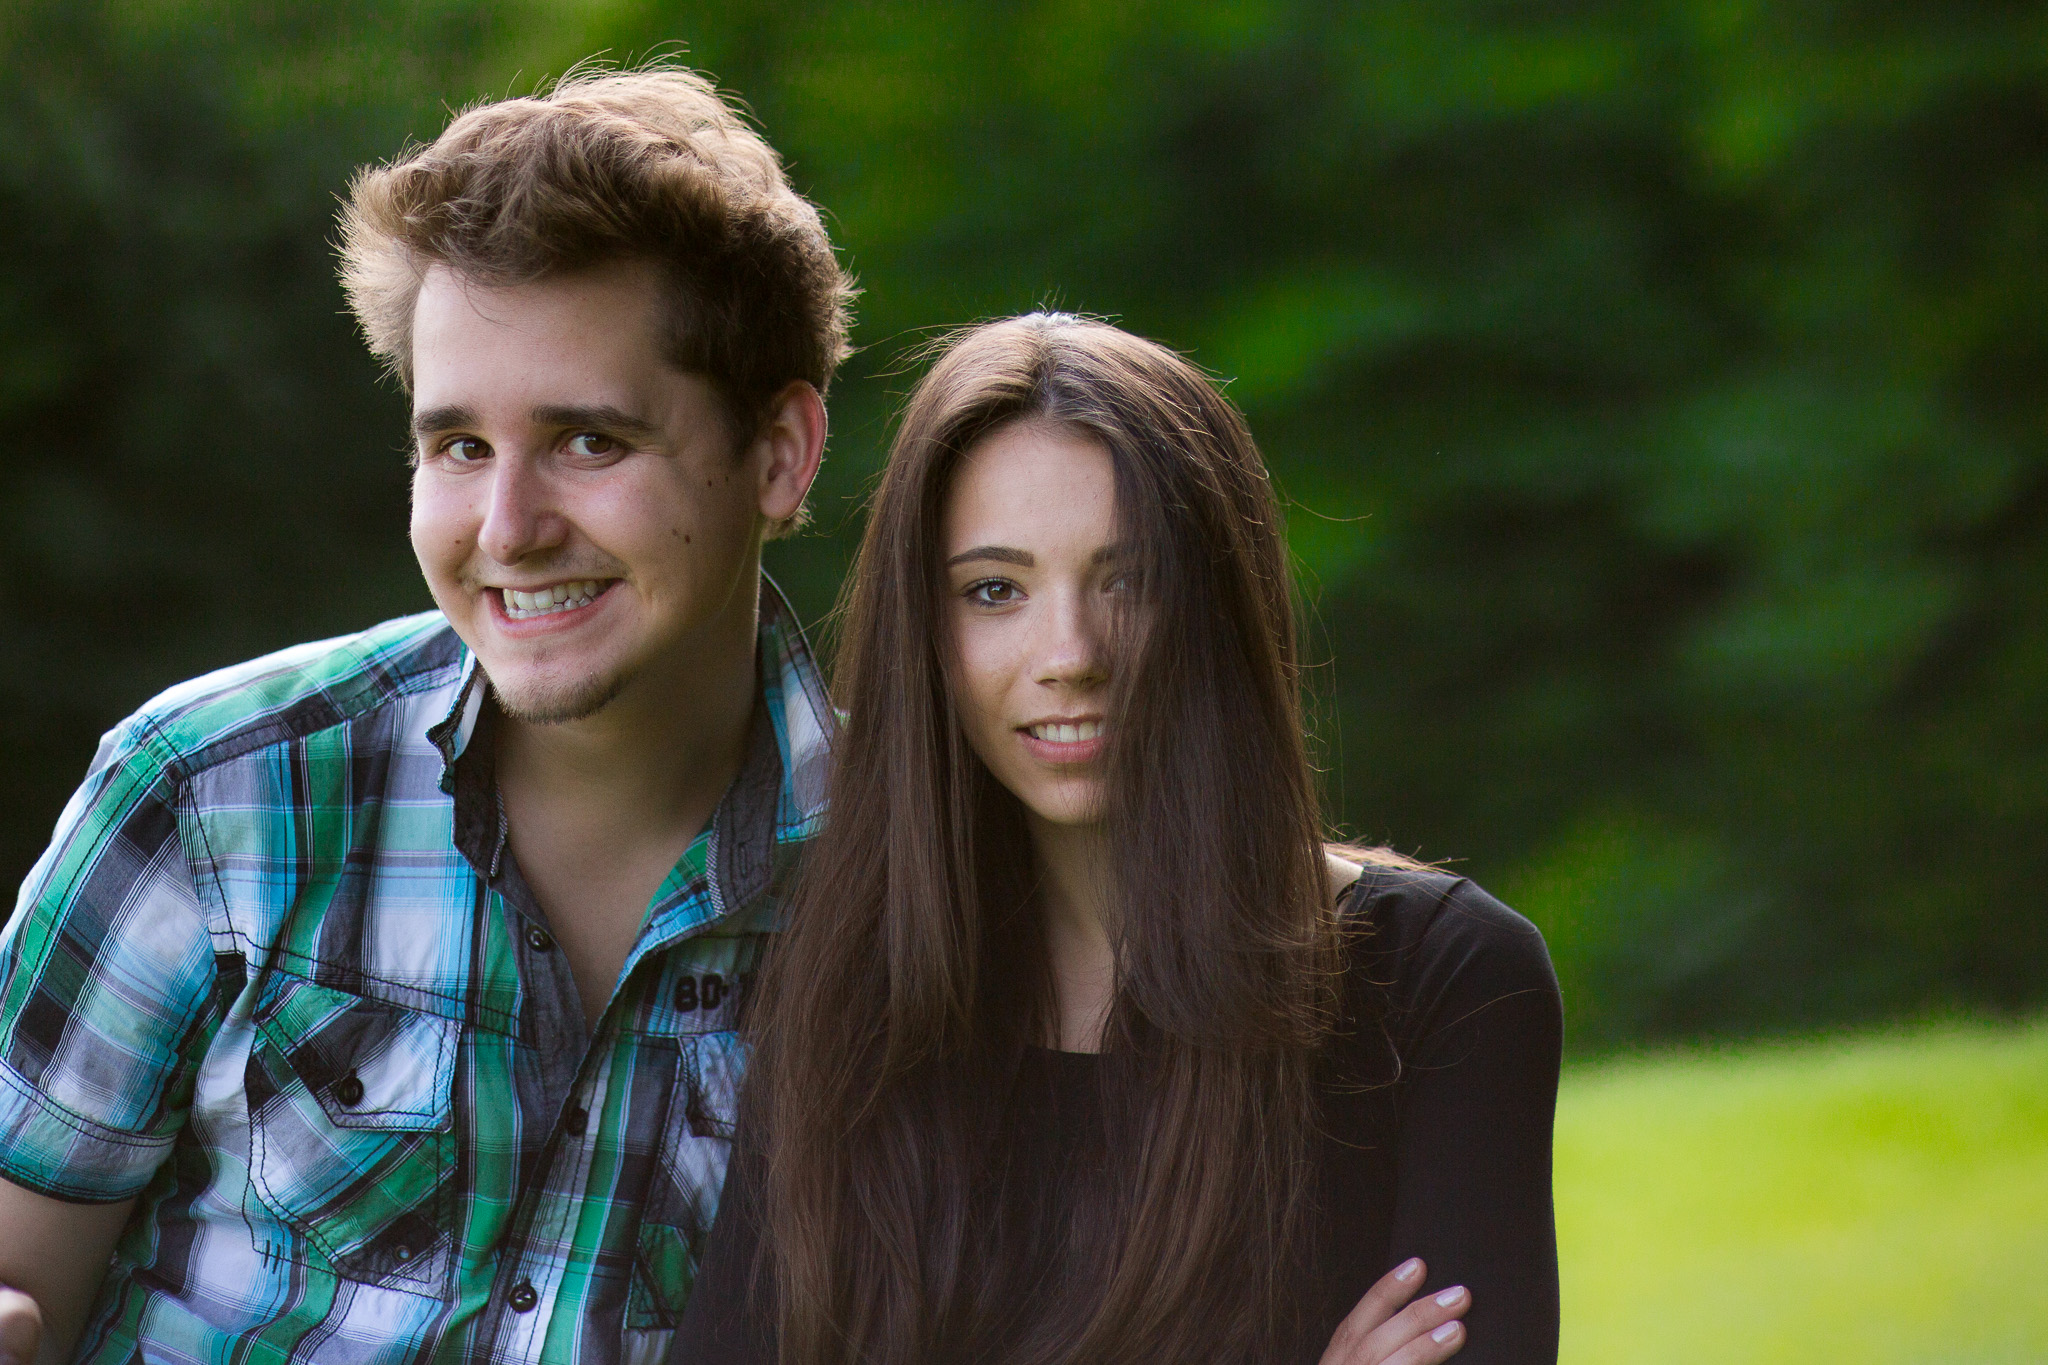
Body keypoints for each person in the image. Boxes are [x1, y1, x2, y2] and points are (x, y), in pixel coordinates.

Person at [0, 64, 849, 1364]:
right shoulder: (213, 793)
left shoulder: (911, 884)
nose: (506, 530)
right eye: (457, 447)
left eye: (589, 441)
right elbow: (19, 1290)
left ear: (780, 453)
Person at [674, 314, 1564, 1365]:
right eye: (993, 591)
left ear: (1218, 603)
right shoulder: (846, 991)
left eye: (1129, 580)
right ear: (927, 636)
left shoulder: (1446, 985)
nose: (1069, 654)